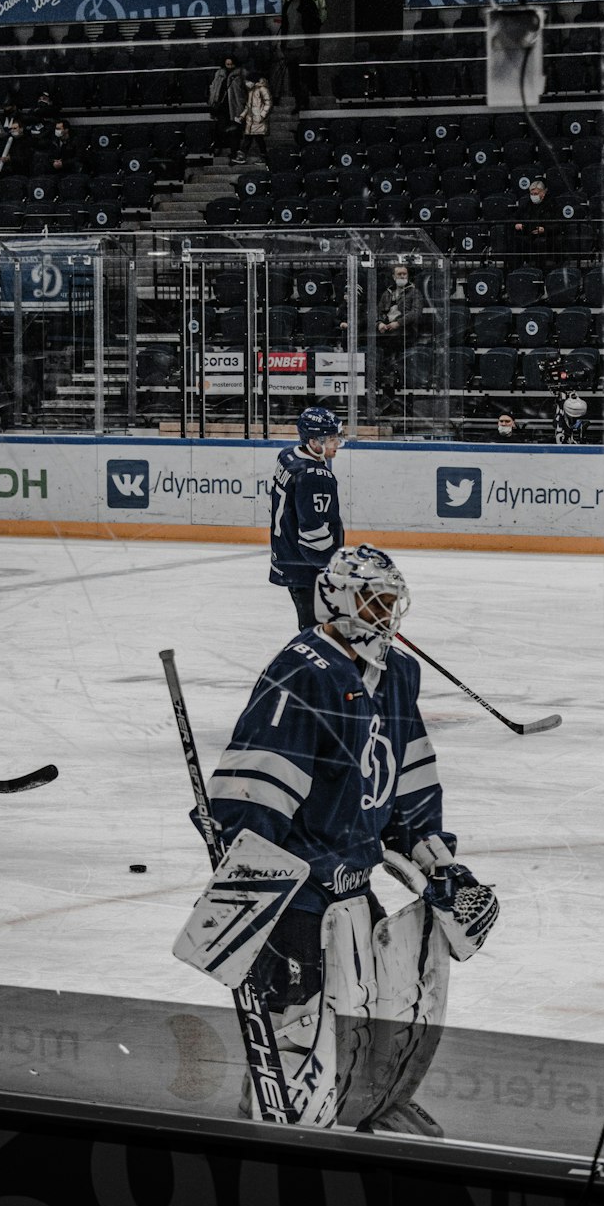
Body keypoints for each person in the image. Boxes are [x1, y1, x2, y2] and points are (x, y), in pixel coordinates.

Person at [198, 542, 499, 1128]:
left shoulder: (396, 675)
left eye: (391, 600)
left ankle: (365, 1104)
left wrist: (435, 861)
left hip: (355, 881)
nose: (385, 613)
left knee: (380, 1008)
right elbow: (254, 789)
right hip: (301, 891)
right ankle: (270, 1124)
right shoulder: (303, 670)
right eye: (373, 599)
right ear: (336, 601)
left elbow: (408, 779)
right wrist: (249, 884)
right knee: (301, 1023)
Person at [269, 406, 345, 629]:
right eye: (331, 438)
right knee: (319, 635)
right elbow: (313, 534)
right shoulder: (314, 477)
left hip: (289, 557)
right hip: (307, 567)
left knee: (319, 631)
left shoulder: (288, 455)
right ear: (314, 442)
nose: (336, 444)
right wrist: (333, 568)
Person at [377, 262, 423, 400]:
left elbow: (416, 312)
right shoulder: (387, 293)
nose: (402, 276)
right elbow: (378, 312)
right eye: (399, 274)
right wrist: (379, 324)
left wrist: (399, 323)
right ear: (393, 276)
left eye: (404, 274)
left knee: (403, 368)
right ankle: (388, 401)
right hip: (386, 337)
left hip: (406, 335)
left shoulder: (415, 293)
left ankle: (405, 401)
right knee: (386, 369)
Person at [281, 0, 322, 112]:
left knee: (303, 77)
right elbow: (285, 26)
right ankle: (299, 103)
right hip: (291, 46)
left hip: (303, 45)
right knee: (294, 79)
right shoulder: (287, 6)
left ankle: (305, 103)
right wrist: (284, 45)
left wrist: (310, 44)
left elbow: (314, 24)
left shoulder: (307, 4)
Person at [208, 55, 248, 158]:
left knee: (235, 130)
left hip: (235, 107)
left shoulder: (241, 74)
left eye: (231, 64)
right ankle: (224, 150)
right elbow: (214, 89)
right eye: (227, 64)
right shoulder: (220, 74)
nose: (229, 66)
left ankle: (234, 151)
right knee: (222, 129)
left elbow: (244, 90)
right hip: (222, 106)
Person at [234, 74, 272, 165]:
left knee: (256, 138)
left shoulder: (262, 89)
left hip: (258, 119)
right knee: (252, 138)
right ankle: (245, 156)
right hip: (251, 120)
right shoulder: (251, 91)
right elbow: (248, 106)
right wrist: (242, 116)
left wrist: (262, 115)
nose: (246, 84)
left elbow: (268, 103)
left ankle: (261, 157)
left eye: (247, 82)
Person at [510, 178, 549, 265]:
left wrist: (545, 229)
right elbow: (513, 217)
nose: (533, 196)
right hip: (528, 234)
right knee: (516, 241)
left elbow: (558, 223)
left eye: (536, 194)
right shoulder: (527, 204)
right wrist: (516, 224)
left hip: (546, 236)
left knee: (540, 243)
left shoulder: (551, 204)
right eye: (531, 194)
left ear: (543, 193)